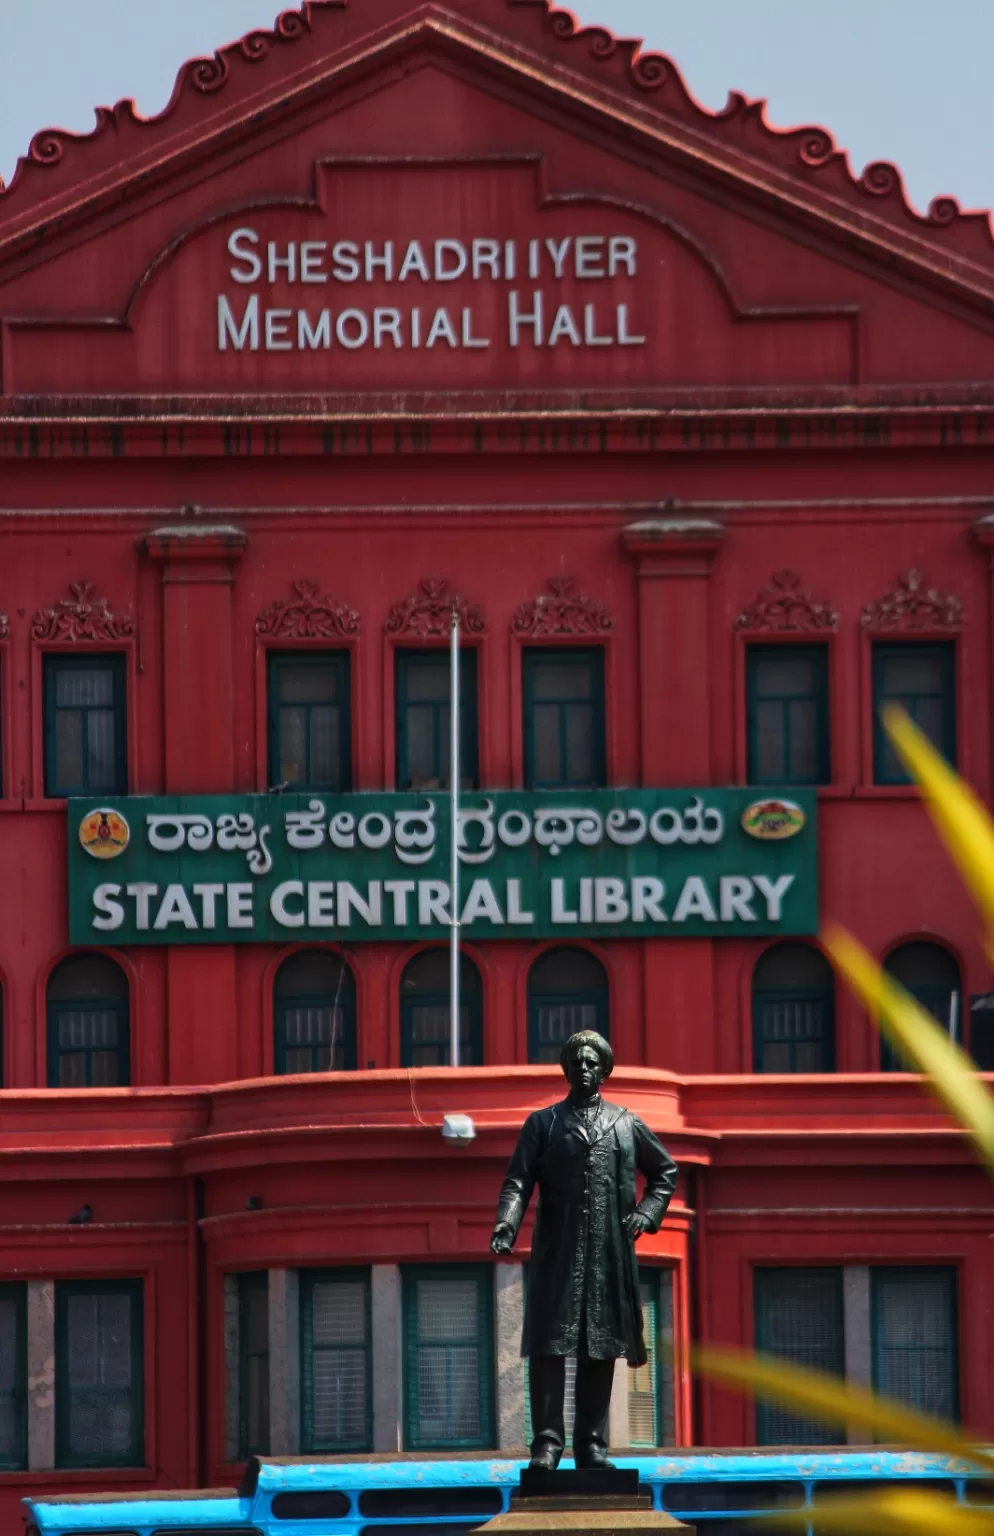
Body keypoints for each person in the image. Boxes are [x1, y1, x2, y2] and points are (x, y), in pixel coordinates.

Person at [491, 1030, 678, 1471]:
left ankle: (592, 1445)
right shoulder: (544, 1123)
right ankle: (548, 1444)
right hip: (558, 1252)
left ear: (605, 1070)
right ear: (567, 1069)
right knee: (548, 1347)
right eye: (577, 1062)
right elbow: (518, 1181)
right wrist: (506, 1223)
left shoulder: (624, 1123)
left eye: (593, 1062)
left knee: (599, 1348)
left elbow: (664, 1172)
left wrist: (646, 1214)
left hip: (607, 1256)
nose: (584, 1068)